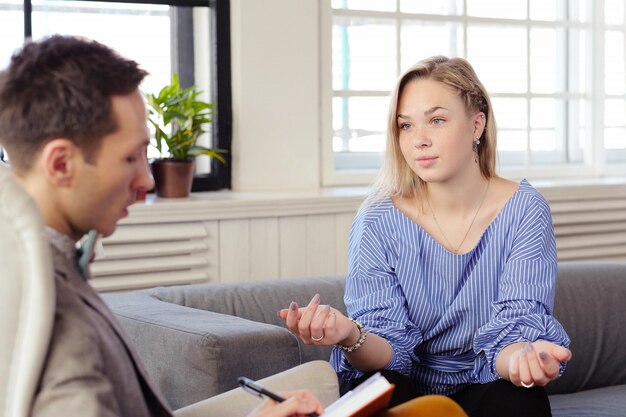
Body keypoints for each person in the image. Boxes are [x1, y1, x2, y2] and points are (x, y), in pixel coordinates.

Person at [0, 35, 328, 417]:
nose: (148, 181)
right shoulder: (49, 312)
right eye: (129, 158)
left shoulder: (36, 260)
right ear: (60, 164)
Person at [279, 56, 572, 417]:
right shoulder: (376, 219)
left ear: (476, 123)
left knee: (518, 400)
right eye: (405, 126)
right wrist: (348, 334)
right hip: (402, 384)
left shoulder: (525, 208)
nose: (419, 140)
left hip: (486, 382)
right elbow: (389, 354)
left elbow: (513, 332)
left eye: (436, 120)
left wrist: (523, 361)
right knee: (385, 388)